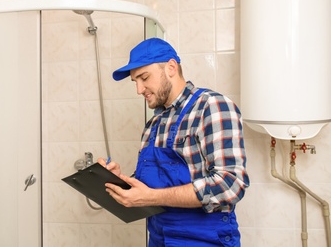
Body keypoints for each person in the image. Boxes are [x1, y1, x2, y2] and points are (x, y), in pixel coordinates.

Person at [97, 38, 250, 247]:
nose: (139, 90)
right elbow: (149, 189)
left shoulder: (211, 106)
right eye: (136, 82)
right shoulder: (154, 123)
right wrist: (119, 182)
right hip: (159, 238)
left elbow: (230, 185)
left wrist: (151, 197)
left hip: (205, 239)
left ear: (171, 67)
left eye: (144, 78)